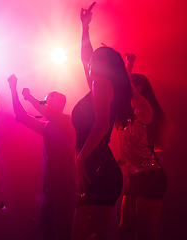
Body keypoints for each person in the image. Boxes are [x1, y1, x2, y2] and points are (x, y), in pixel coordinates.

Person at [72, 4, 134, 240]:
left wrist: (80, 159)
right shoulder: (100, 85)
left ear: (109, 65)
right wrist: (85, 27)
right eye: (93, 58)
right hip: (94, 168)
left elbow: (101, 126)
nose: (91, 60)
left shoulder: (101, 84)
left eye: (99, 58)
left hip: (98, 169)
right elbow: (84, 57)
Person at [8, 74, 78, 240]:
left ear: (60, 103)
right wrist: (13, 91)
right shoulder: (47, 127)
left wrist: (30, 97)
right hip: (49, 189)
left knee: (63, 234)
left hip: (65, 187)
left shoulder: (69, 122)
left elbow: (46, 110)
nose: (45, 103)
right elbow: (22, 117)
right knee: (48, 235)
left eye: (48, 100)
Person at [118, 54, 172, 240]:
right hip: (135, 177)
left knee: (145, 230)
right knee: (125, 228)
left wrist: (128, 64)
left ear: (137, 88)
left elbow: (127, 89)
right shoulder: (129, 113)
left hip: (151, 176)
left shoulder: (146, 110)